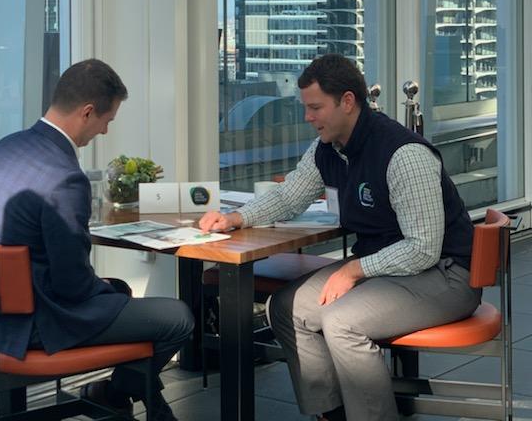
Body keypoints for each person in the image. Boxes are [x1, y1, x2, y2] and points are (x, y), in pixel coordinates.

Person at [200, 53, 480, 421]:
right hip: (385, 269)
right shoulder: (328, 147)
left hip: (445, 274)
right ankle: (332, 413)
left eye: (315, 107)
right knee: (285, 308)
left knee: (342, 322)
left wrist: (352, 271)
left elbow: (422, 249)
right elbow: (290, 196)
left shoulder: (404, 154)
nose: (307, 117)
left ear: (347, 102)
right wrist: (235, 218)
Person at [0, 58, 193, 421]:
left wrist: (108, 290)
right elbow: (72, 286)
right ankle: (113, 393)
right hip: (38, 325)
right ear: (88, 112)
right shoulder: (64, 177)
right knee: (177, 317)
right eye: (107, 121)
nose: (104, 131)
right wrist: (105, 291)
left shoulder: (4, 149)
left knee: (119, 290)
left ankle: (124, 398)